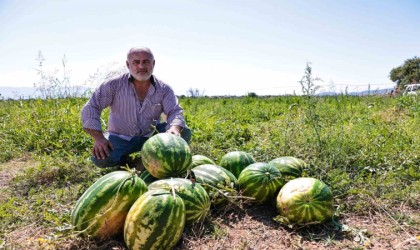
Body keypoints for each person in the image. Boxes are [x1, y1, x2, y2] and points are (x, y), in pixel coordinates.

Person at [81, 47, 191, 168]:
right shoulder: (113, 85)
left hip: (151, 136)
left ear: (153, 63)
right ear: (128, 65)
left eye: (146, 62)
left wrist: (174, 129)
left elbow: (175, 111)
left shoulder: (164, 89)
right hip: (120, 138)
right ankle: (124, 159)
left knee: (183, 131)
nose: (141, 66)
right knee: (101, 158)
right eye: (136, 62)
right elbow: (92, 107)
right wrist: (99, 138)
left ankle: (160, 161)